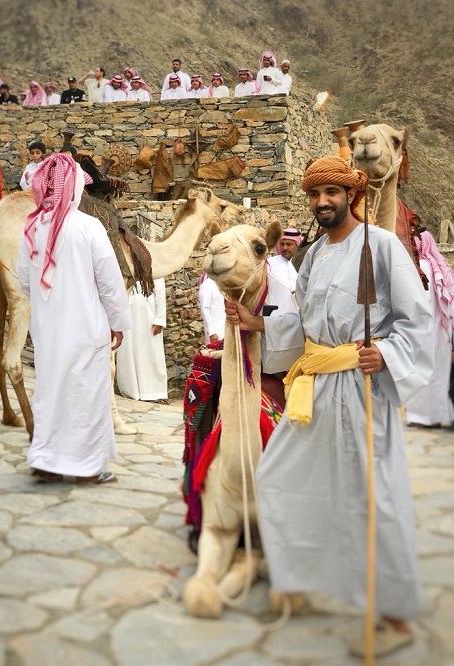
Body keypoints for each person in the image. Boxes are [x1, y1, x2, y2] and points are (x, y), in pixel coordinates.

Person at [225, 155, 434, 658]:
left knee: (373, 497)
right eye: (315, 194)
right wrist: (259, 324)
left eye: (331, 193)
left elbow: (417, 318)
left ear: (352, 196)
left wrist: (386, 353)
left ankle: (394, 614)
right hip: (315, 386)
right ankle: (303, 574)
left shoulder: (381, 247)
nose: (322, 202)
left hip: (362, 387)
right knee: (280, 477)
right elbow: (306, 325)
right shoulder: (313, 254)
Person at [16, 153, 132, 484]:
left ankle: (47, 461)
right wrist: (118, 322)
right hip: (86, 328)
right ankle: (87, 469)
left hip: (47, 331)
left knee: (49, 392)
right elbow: (109, 282)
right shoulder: (89, 227)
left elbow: (24, 281)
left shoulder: (31, 228)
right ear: (74, 189)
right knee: (87, 394)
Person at [405, 229, 454, 427]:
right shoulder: (440, 267)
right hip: (441, 331)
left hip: (423, 330)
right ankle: (438, 415)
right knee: (439, 373)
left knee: (420, 372)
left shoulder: (421, 268)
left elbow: (418, 302)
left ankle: (422, 417)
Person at [116, 278, 169, 403]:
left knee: (151, 353)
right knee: (130, 352)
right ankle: (133, 391)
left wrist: (159, 320)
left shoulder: (154, 269)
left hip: (149, 318)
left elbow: (160, 292)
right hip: (128, 316)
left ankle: (155, 392)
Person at [266, 227, 303, 316]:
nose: (285, 248)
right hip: (275, 318)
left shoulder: (304, 264)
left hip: (298, 319)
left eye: (289, 244)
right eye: (282, 244)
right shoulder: (269, 264)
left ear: (297, 245)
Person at [198, 272, 226, 343]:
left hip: (227, 329)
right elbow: (204, 309)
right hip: (216, 331)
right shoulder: (207, 285)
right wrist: (212, 332)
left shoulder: (225, 283)